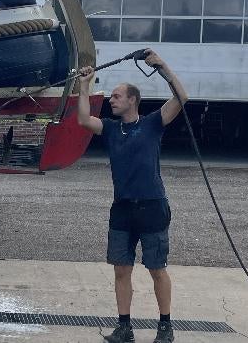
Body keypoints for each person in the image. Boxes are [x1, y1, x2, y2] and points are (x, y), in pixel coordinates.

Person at [77, 49, 188, 343]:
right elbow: (84, 120)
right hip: (123, 208)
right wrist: (84, 85)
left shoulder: (152, 123)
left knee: (156, 269)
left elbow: (182, 98)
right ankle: (124, 327)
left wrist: (162, 66)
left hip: (152, 206)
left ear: (132, 100)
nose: (111, 100)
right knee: (121, 270)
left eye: (116, 96)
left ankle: (165, 327)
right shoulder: (112, 129)